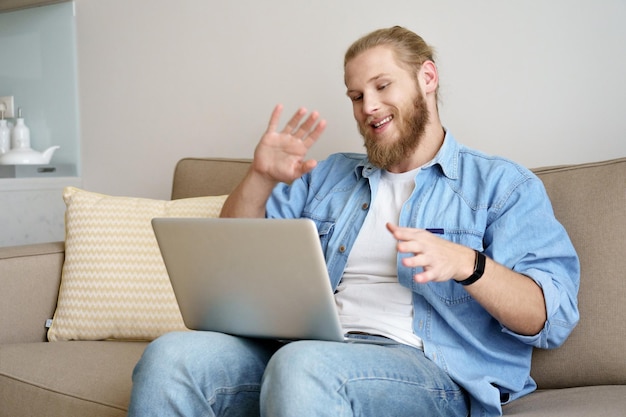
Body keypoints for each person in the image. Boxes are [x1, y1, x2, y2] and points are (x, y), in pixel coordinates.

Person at [128, 26, 579, 417]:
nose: (369, 106)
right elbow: (227, 259)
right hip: (308, 354)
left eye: (383, 86)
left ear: (427, 78)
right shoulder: (325, 177)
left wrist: (468, 264)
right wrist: (261, 177)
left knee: (303, 366)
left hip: (430, 375)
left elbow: (550, 318)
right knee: (170, 357)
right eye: (357, 96)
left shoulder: (501, 186)